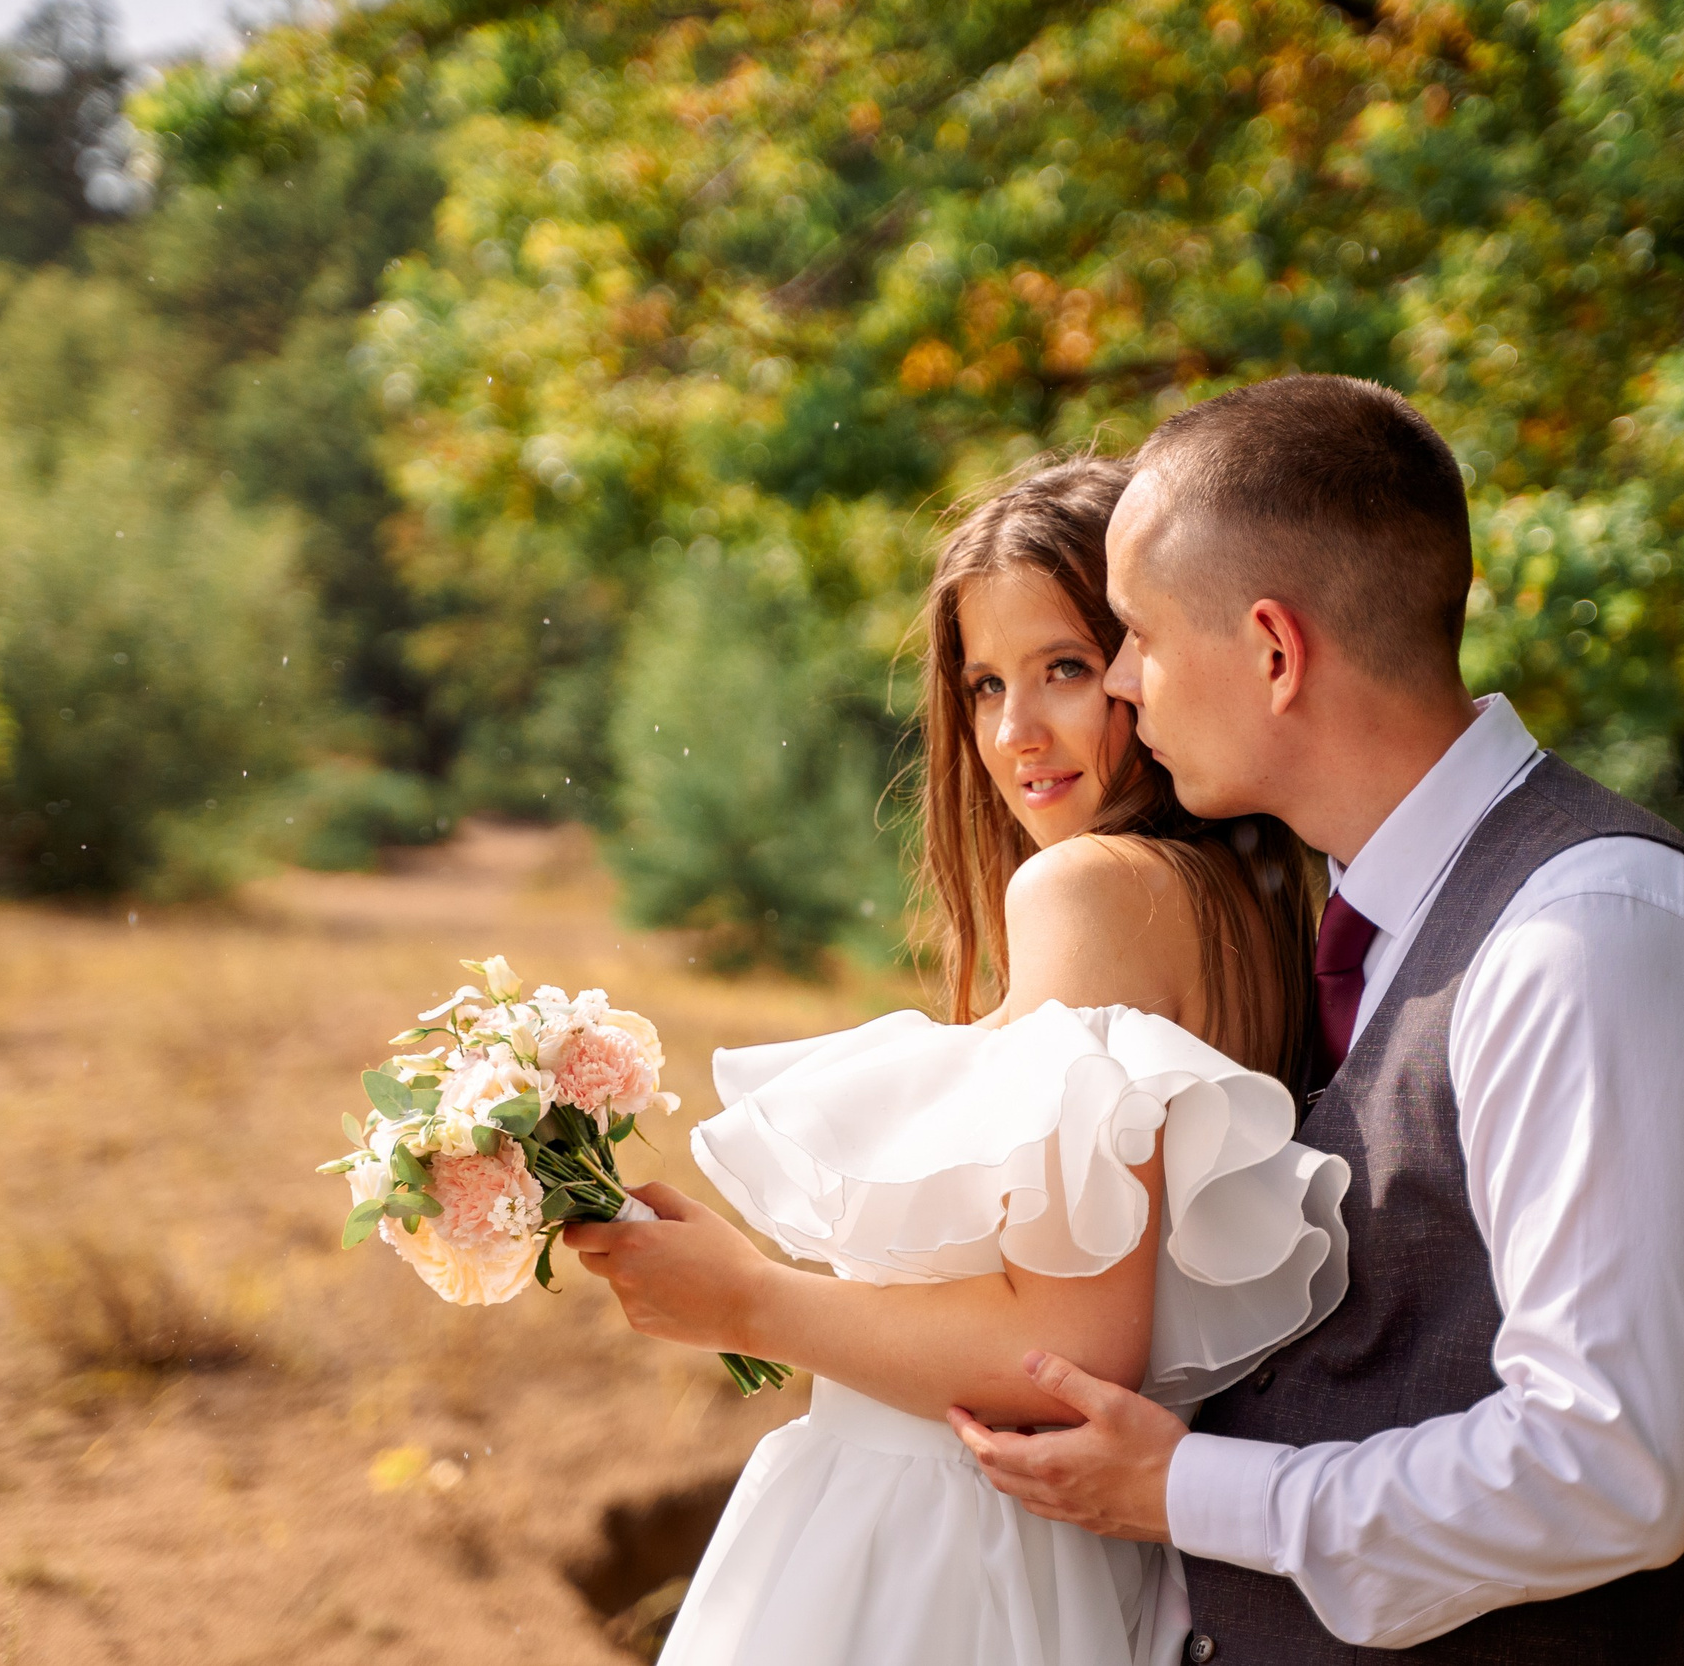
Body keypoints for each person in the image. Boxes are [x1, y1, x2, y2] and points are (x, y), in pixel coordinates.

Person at [943, 374, 1684, 1664]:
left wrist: (1189, 1489)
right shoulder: (1359, 920)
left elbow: (1610, 1461)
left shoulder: (1591, 940)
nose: (1120, 680)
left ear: (1274, 652)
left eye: (1139, 636)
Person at [565, 456, 1354, 1666]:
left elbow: (1067, 1351)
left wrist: (747, 1297)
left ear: (1148, 660)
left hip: (949, 1558)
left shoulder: (1088, 889)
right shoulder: (1238, 901)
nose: (1014, 731)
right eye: (986, 682)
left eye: (1065, 668)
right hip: (1032, 1553)